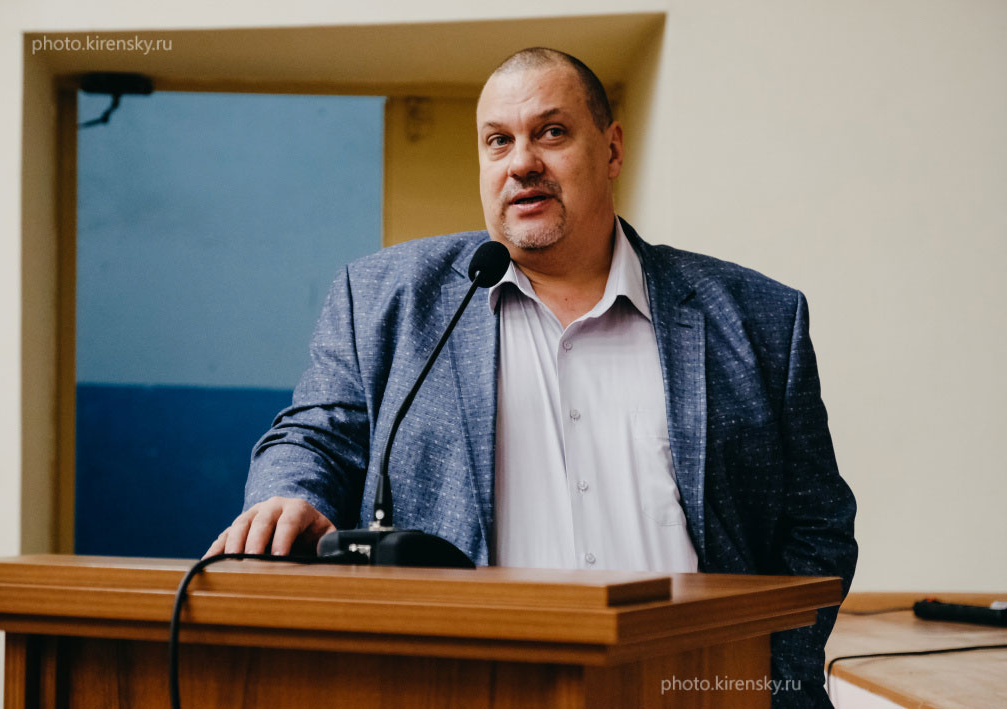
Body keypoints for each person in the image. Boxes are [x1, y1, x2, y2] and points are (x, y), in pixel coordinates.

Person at [207, 47, 856, 706]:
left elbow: (818, 525)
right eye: (498, 141)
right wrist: (290, 494)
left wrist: (754, 677)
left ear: (611, 149)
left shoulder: (757, 316)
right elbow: (315, 437)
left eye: (551, 132)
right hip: (462, 690)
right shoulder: (385, 299)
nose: (522, 162)